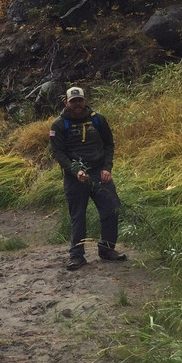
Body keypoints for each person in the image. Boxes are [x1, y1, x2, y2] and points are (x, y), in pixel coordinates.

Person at [49, 86, 127, 270]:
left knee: (111, 209)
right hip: (75, 177)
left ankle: (107, 250)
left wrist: (107, 168)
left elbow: (109, 144)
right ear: (65, 102)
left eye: (80, 100)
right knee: (78, 216)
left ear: (85, 100)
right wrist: (75, 170)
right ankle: (77, 256)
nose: (77, 104)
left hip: (99, 173)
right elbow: (58, 153)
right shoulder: (58, 125)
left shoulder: (98, 120)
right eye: (73, 101)